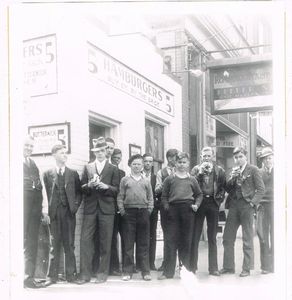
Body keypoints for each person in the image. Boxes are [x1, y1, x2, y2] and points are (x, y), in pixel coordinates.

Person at [78, 137, 119, 284]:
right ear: (94, 152)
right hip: (90, 209)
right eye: (97, 151)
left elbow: (117, 190)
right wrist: (89, 184)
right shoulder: (88, 167)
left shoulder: (113, 168)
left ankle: (102, 274)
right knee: (85, 241)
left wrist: (106, 187)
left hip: (107, 209)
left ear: (106, 151)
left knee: (105, 242)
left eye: (102, 150)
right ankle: (84, 275)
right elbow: (82, 188)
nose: (100, 153)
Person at [220, 147, 265, 277]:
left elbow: (261, 189)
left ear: (245, 157)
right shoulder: (234, 171)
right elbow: (228, 189)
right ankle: (228, 267)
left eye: (240, 156)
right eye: (236, 157)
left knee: (247, 238)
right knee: (227, 237)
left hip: (246, 206)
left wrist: (252, 204)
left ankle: (246, 268)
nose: (238, 159)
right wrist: (232, 178)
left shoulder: (253, 169)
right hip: (233, 206)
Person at [158, 152, 203, 280]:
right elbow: (164, 196)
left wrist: (196, 205)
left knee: (186, 241)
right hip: (173, 211)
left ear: (188, 164)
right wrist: (167, 207)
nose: (182, 165)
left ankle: (186, 271)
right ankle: (168, 272)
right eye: (179, 162)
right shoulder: (170, 179)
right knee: (170, 241)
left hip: (188, 211)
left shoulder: (192, 179)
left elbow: (199, 194)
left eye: (184, 162)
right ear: (175, 163)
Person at [43, 144, 82, 285]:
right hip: (54, 214)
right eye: (61, 153)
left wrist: (75, 206)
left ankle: (71, 276)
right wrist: (46, 211)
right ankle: (52, 276)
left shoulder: (73, 173)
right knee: (54, 245)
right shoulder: (47, 173)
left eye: (66, 153)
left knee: (69, 244)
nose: (64, 155)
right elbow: (45, 195)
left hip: (69, 213)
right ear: (54, 155)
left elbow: (79, 192)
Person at [190, 147, 226, 276]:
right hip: (199, 203)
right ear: (200, 157)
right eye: (204, 156)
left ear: (213, 156)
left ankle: (213, 268)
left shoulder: (219, 170)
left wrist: (218, 201)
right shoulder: (195, 169)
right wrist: (199, 173)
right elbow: (191, 184)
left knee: (212, 237)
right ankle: (192, 267)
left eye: (209, 156)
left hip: (212, 203)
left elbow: (222, 187)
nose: (206, 158)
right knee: (195, 235)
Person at [117, 154, 154, 281]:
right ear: (130, 165)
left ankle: (145, 271)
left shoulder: (146, 181)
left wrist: (148, 210)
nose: (137, 166)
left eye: (139, 164)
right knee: (128, 243)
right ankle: (127, 271)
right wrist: (122, 210)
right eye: (134, 164)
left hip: (143, 212)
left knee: (143, 243)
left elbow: (150, 198)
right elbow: (120, 197)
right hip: (128, 213)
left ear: (142, 165)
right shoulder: (125, 180)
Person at [23, 135, 50, 288]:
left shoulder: (34, 164)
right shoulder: (9, 161)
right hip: (19, 210)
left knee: (32, 243)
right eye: (26, 145)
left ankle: (28, 278)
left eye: (31, 146)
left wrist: (44, 209)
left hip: (34, 211)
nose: (29, 148)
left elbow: (42, 189)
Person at [155, 148, 178, 271]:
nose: (178, 160)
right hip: (166, 207)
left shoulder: (182, 171)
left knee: (178, 235)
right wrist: (166, 182)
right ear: (169, 158)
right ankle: (166, 263)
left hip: (179, 207)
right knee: (167, 235)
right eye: (176, 158)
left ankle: (180, 264)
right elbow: (157, 190)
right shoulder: (161, 172)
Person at [109, 148, 126, 276]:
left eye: (119, 158)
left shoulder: (122, 172)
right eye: (115, 158)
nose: (117, 160)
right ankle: (114, 266)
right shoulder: (108, 171)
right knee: (112, 238)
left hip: (122, 209)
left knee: (125, 237)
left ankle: (126, 265)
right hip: (110, 209)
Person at [257, 147, 274, 274]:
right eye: (266, 158)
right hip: (262, 206)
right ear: (262, 160)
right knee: (262, 236)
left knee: (275, 235)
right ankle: (265, 266)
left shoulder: (279, 172)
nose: (268, 160)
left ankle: (274, 265)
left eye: (270, 158)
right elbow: (254, 189)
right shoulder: (258, 172)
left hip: (275, 206)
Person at [142, 153, 157, 270]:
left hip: (153, 209)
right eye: (146, 161)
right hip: (140, 209)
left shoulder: (156, 177)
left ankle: (151, 263)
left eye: (150, 161)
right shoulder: (138, 175)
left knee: (152, 235)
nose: (148, 163)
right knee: (141, 236)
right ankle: (140, 263)